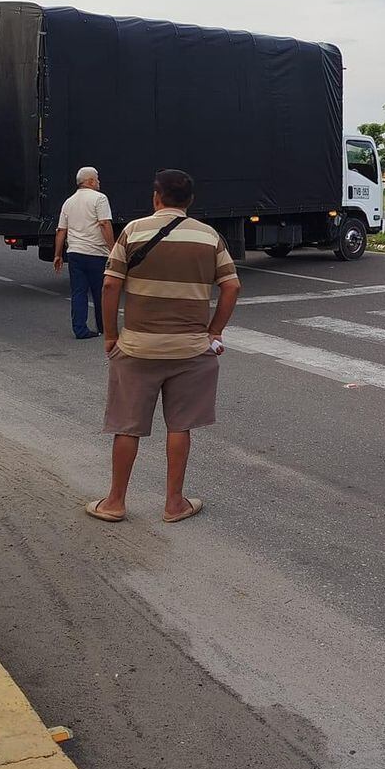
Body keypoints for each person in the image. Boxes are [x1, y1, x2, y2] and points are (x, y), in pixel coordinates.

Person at [86, 169, 241, 524]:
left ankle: (114, 502)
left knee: (127, 426)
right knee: (179, 426)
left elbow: (110, 287)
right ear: (190, 201)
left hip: (138, 347)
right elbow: (232, 287)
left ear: (156, 197)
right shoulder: (208, 237)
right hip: (190, 350)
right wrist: (214, 331)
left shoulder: (133, 231)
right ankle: (174, 504)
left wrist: (111, 335)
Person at [53, 166, 114, 339]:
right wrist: (113, 249)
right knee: (99, 292)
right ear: (91, 181)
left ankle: (80, 329)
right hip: (96, 253)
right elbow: (104, 224)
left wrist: (58, 254)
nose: (99, 182)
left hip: (75, 254)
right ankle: (103, 327)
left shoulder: (69, 201)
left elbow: (61, 231)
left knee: (78, 292)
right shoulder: (100, 199)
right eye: (97, 179)